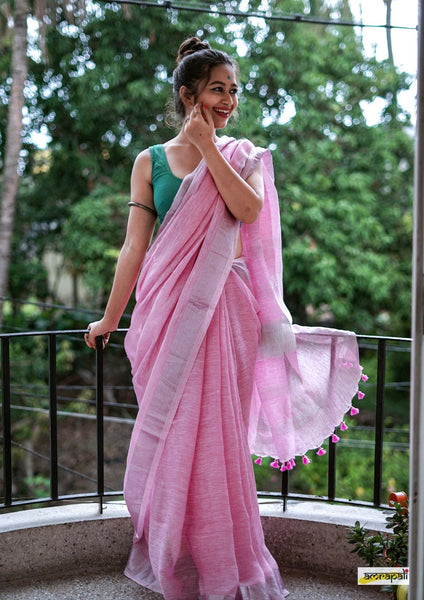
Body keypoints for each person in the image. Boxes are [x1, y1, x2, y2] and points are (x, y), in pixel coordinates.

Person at [85, 37, 363, 600]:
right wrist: (111, 318)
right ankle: (175, 552)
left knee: (218, 439)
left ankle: (222, 557)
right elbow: (134, 249)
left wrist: (208, 147)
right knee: (170, 437)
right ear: (188, 94)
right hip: (165, 312)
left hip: (224, 312)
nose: (228, 100)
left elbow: (249, 211)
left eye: (233, 91)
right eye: (217, 89)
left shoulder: (243, 155)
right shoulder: (151, 161)